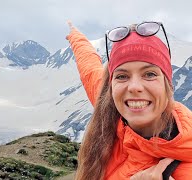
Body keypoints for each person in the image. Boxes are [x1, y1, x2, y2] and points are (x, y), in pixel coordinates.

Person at [66, 21, 192, 180]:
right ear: (111, 87)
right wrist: (75, 35)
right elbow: (89, 68)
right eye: (122, 76)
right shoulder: (108, 110)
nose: (134, 87)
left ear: (168, 85)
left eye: (150, 74)